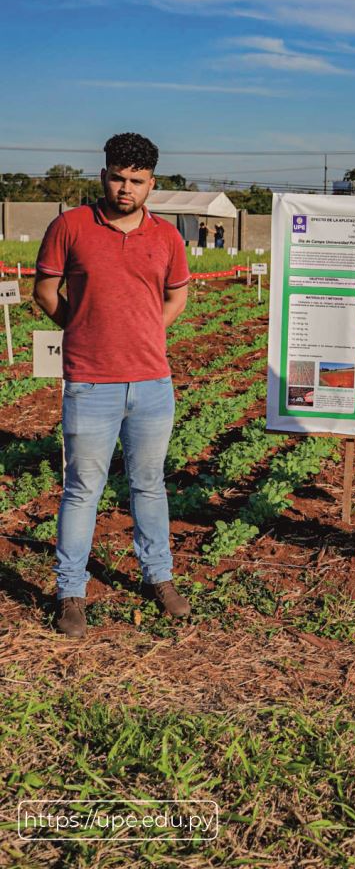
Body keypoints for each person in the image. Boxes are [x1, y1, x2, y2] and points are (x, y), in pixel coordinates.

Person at [33, 132, 192, 638]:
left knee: (149, 484)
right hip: (90, 383)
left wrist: (144, 333)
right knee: (82, 490)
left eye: (137, 181)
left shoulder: (167, 237)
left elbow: (177, 298)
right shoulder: (71, 226)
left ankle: (158, 578)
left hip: (152, 384)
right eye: (118, 178)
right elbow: (44, 290)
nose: (126, 189)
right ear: (103, 176)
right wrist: (81, 330)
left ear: (152, 184)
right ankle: (70, 593)